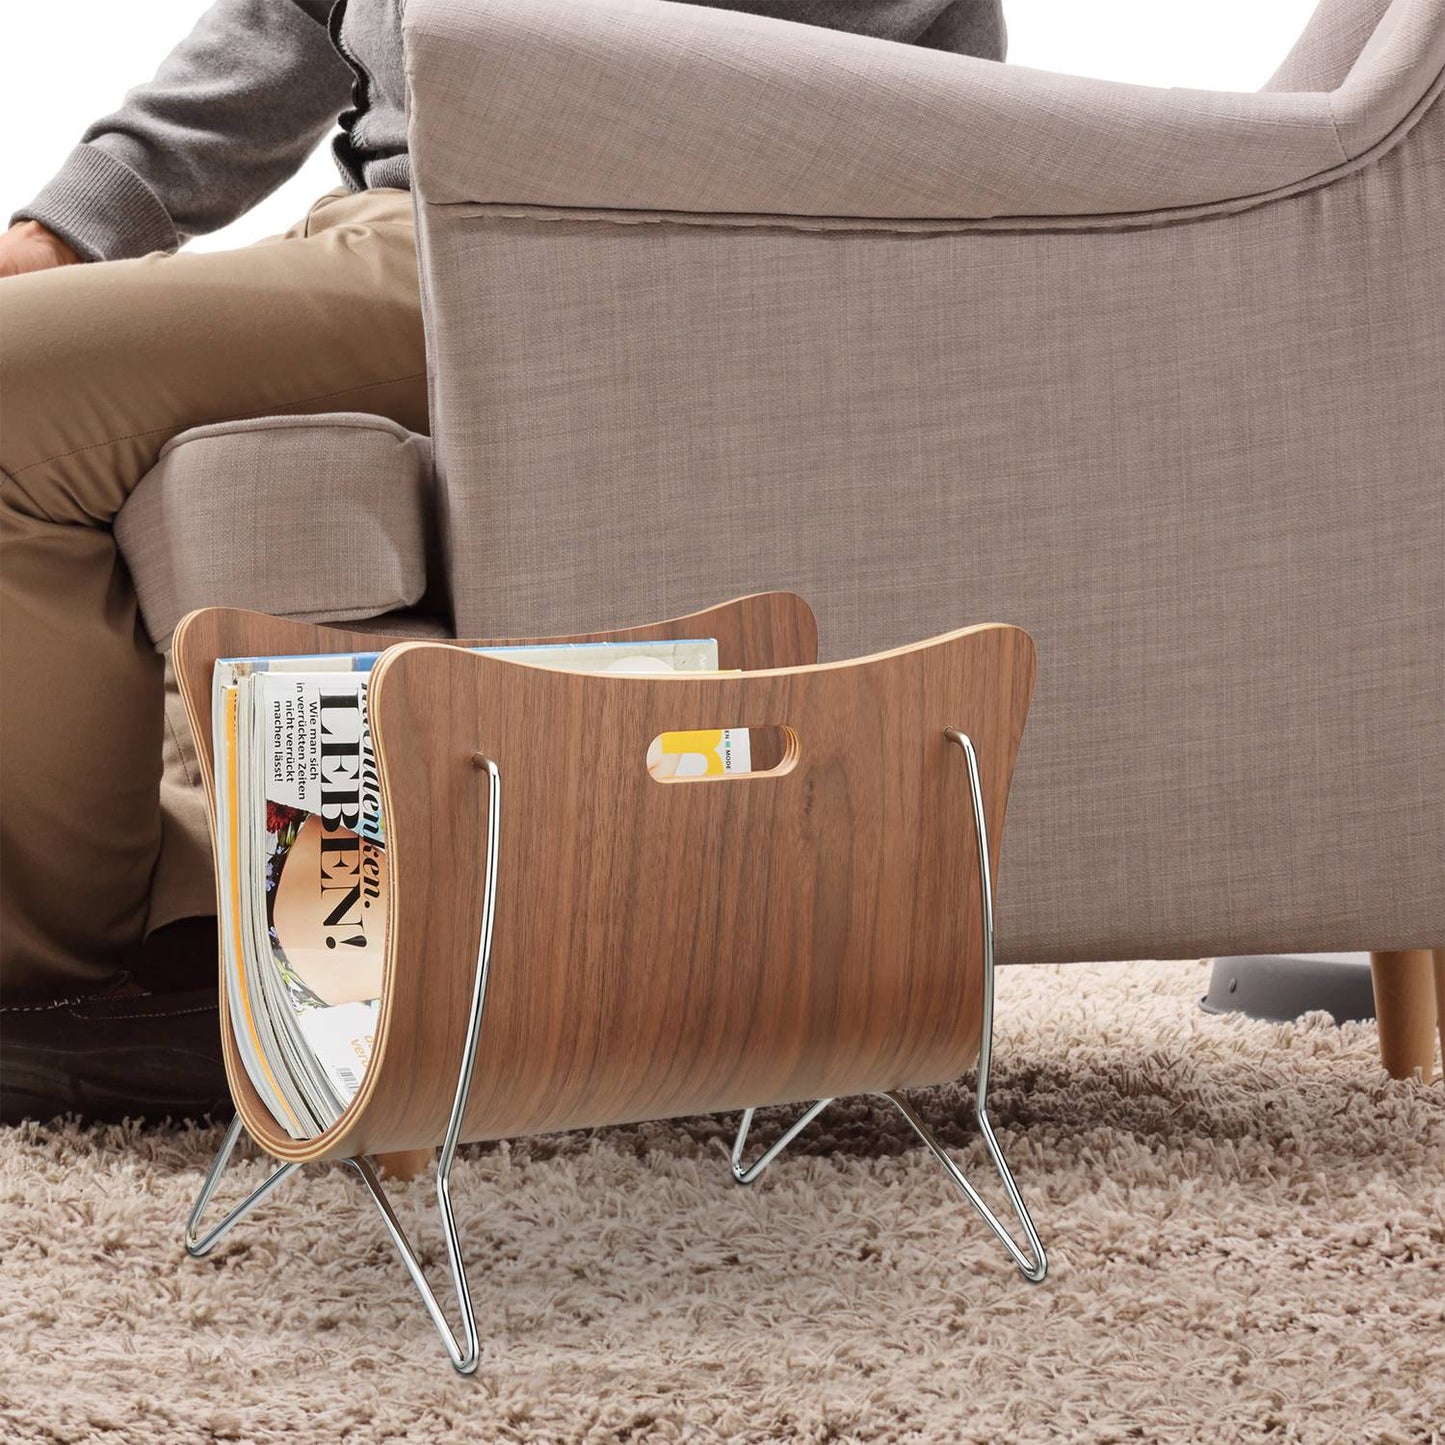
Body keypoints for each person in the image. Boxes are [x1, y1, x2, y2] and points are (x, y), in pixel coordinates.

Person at [0, 0, 1006, 1124]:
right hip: (406, 225)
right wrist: (72, 226)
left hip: (591, 237)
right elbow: (295, 17)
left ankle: (60, 985)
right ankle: (196, 925)